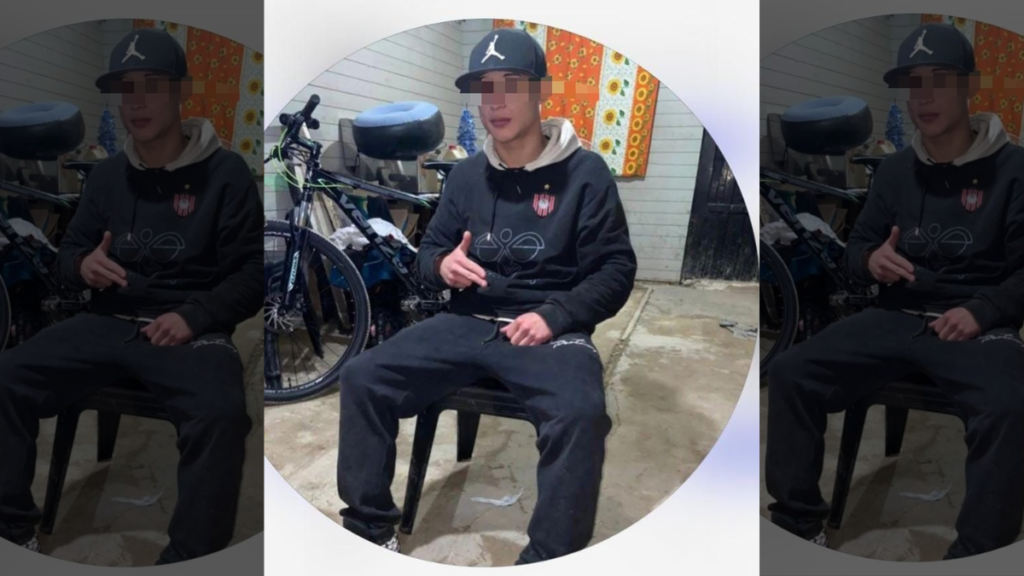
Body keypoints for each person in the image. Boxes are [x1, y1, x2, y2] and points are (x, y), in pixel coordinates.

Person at [335, 28, 637, 564]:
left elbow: (616, 269)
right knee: (361, 377)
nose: (496, 101)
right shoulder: (466, 175)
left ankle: (549, 557)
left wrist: (557, 314)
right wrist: (442, 266)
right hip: (467, 319)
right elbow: (429, 253)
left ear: (541, 90)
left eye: (511, 84)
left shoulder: (586, 174)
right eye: (485, 87)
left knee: (582, 414)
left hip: (547, 327)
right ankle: (369, 529)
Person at [0, 28, 263, 564]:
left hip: (188, 327)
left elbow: (252, 274)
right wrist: (81, 265)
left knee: (221, 415)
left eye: (151, 85)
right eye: (125, 88)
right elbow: (68, 254)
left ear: (181, 91)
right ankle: (12, 526)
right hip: (108, 318)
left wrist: (196, 314)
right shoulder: (105, 176)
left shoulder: (227, 173)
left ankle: (191, 556)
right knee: (6, 378)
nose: (136, 102)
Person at [765, 23, 1024, 559]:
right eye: (913, 82)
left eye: (940, 79)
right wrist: (869, 259)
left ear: (970, 85)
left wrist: (983, 309)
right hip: (896, 313)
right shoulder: (895, 170)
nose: (924, 96)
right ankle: (797, 522)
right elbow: (858, 246)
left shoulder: (1015, 169)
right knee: (790, 372)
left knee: (1010, 405)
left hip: (976, 322)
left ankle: (978, 552)